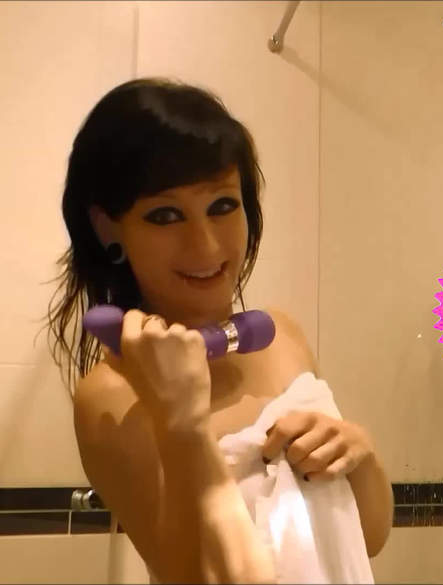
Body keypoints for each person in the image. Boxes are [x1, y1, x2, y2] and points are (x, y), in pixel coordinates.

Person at [44, 77, 393, 583]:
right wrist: (180, 421)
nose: (205, 245)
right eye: (165, 215)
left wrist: (359, 454)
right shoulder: (113, 396)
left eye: (223, 206)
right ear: (107, 227)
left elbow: (369, 539)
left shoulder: (282, 335)